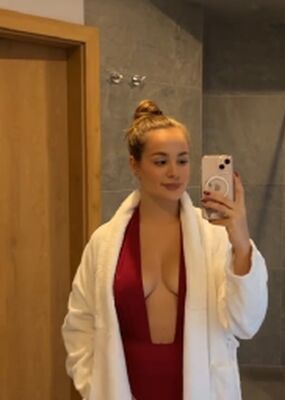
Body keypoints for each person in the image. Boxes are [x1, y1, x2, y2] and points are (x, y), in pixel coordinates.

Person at [62, 100, 268, 400]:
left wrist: (241, 240)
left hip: (202, 390)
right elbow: (80, 324)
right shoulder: (104, 242)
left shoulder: (215, 237)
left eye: (182, 161)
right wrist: (96, 387)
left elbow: (246, 324)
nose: (174, 172)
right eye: (160, 162)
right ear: (135, 165)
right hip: (124, 391)